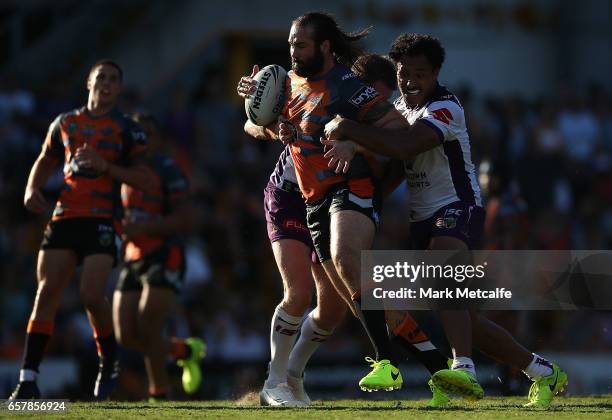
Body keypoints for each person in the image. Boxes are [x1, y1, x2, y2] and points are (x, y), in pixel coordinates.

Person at [323, 33, 568, 408]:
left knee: (443, 270)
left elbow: (404, 146)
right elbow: (394, 169)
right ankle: (543, 371)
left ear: (436, 73)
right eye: (404, 73)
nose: (410, 81)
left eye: (420, 73)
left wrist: (349, 129)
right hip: (423, 219)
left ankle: (463, 370)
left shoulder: (446, 107)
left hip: (459, 207)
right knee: (466, 319)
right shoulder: (400, 111)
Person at [239, 52, 450, 405]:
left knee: (338, 307)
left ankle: (293, 376)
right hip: (290, 196)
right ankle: (274, 383)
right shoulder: (327, 94)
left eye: (382, 100)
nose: (375, 106)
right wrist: (261, 111)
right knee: (299, 291)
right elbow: (253, 124)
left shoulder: (383, 126)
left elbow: (386, 174)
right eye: (372, 96)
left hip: (333, 203)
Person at [10, 59, 151, 400]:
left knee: (90, 294)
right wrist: (32, 188)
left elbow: (145, 178)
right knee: (47, 291)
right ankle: (27, 380)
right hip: (65, 214)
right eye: (101, 77)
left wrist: (107, 166)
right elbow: (46, 158)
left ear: (118, 89)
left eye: (114, 79)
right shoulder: (66, 122)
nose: (107, 83)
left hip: (103, 218)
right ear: (88, 83)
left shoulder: (127, 130)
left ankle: (109, 358)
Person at [112, 113, 205, 401]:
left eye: (148, 134)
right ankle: (185, 351)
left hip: (165, 253)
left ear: (158, 139)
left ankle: (159, 395)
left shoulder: (168, 171)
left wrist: (145, 227)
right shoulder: (123, 170)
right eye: (137, 134)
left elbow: (187, 219)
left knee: (148, 324)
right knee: (125, 335)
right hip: (133, 255)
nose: (143, 140)